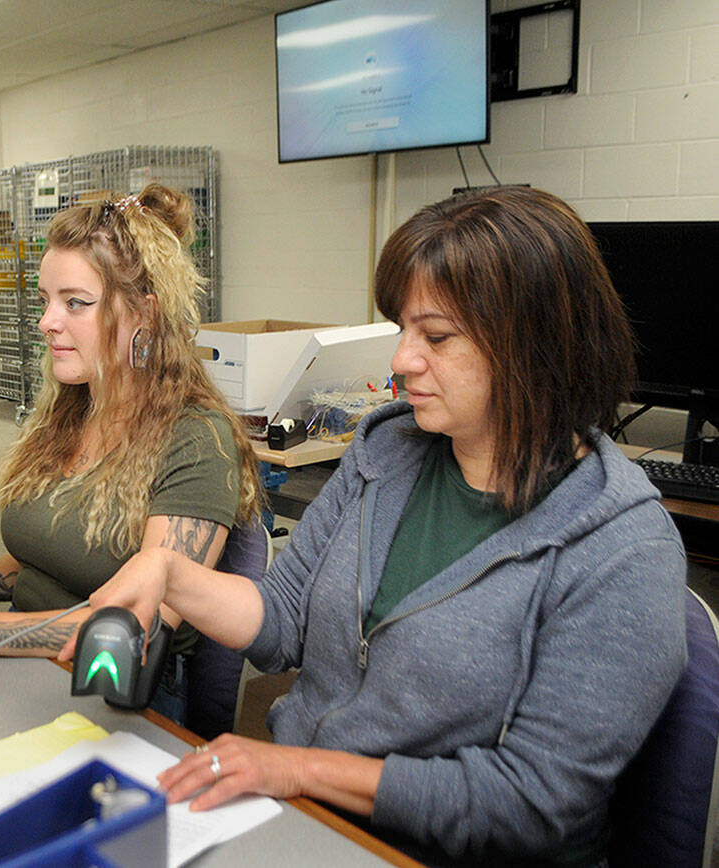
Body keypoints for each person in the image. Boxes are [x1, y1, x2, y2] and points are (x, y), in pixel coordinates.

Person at [73, 186, 688, 866]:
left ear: (536, 342)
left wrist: (300, 770)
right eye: (402, 329)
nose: (400, 360)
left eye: (437, 336)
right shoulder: (386, 452)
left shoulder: (621, 546)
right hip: (309, 821)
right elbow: (282, 621)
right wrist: (170, 573)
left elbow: (529, 803)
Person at [0, 184, 262, 723]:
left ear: (144, 315)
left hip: (118, 695)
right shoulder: (69, 409)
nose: (47, 322)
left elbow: (138, 627)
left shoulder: (196, 440)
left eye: (76, 303)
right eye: (45, 301)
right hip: (26, 666)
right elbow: (52, 560)